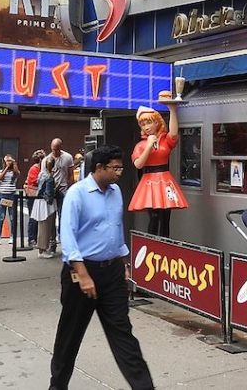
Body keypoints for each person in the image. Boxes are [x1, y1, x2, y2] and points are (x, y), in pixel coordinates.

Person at [49, 145, 154, 390]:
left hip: (112, 274)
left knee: (123, 334)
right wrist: (83, 274)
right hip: (81, 273)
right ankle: (57, 386)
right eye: (115, 168)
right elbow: (68, 236)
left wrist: (123, 263)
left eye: (121, 167)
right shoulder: (77, 193)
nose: (119, 173)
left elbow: (115, 230)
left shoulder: (116, 192)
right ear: (99, 168)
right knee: (70, 336)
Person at [130, 95, 188, 238]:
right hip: (149, 180)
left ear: (157, 123)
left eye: (149, 123)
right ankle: (152, 244)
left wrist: (173, 110)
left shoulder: (164, 141)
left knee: (165, 217)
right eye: (143, 124)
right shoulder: (141, 145)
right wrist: (149, 146)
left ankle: (165, 245)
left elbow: (173, 134)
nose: (146, 127)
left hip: (165, 179)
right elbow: (138, 164)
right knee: (154, 216)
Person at [44, 139, 74, 253]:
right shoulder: (47, 159)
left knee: (63, 216)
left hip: (63, 189)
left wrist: (70, 187)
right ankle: (52, 242)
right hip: (51, 191)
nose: (55, 151)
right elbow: (44, 176)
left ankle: (63, 239)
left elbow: (70, 174)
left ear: (60, 148)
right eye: (53, 149)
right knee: (51, 217)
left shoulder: (68, 157)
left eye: (57, 149)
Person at [33, 156, 57, 258]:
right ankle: (42, 250)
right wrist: (56, 190)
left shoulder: (41, 174)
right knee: (46, 227)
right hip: (46, 204)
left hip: (39, 202)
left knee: (41, 226)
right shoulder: (50, 177)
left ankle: (42, 249)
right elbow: (49, 194)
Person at [0, 154, 19, 246]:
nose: (8, 163)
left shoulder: (14, 173)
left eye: (10, 161)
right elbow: (0, 177)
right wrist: (6, 168)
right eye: (7, 161)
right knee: (1, 217)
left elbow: (17, 173)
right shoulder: (0, 171)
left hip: (12, 196)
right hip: (3, 196)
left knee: (12, 218)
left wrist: (14, 163)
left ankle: (12, 236)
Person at [24, 149, 45, 248]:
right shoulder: (34, 168)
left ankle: (35, 238)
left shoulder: (40, 169)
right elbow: (34, 181)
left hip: (38, 194)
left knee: (38, 217)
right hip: (33, 195)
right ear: (40, 159)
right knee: (33, 217)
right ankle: (31, 239)